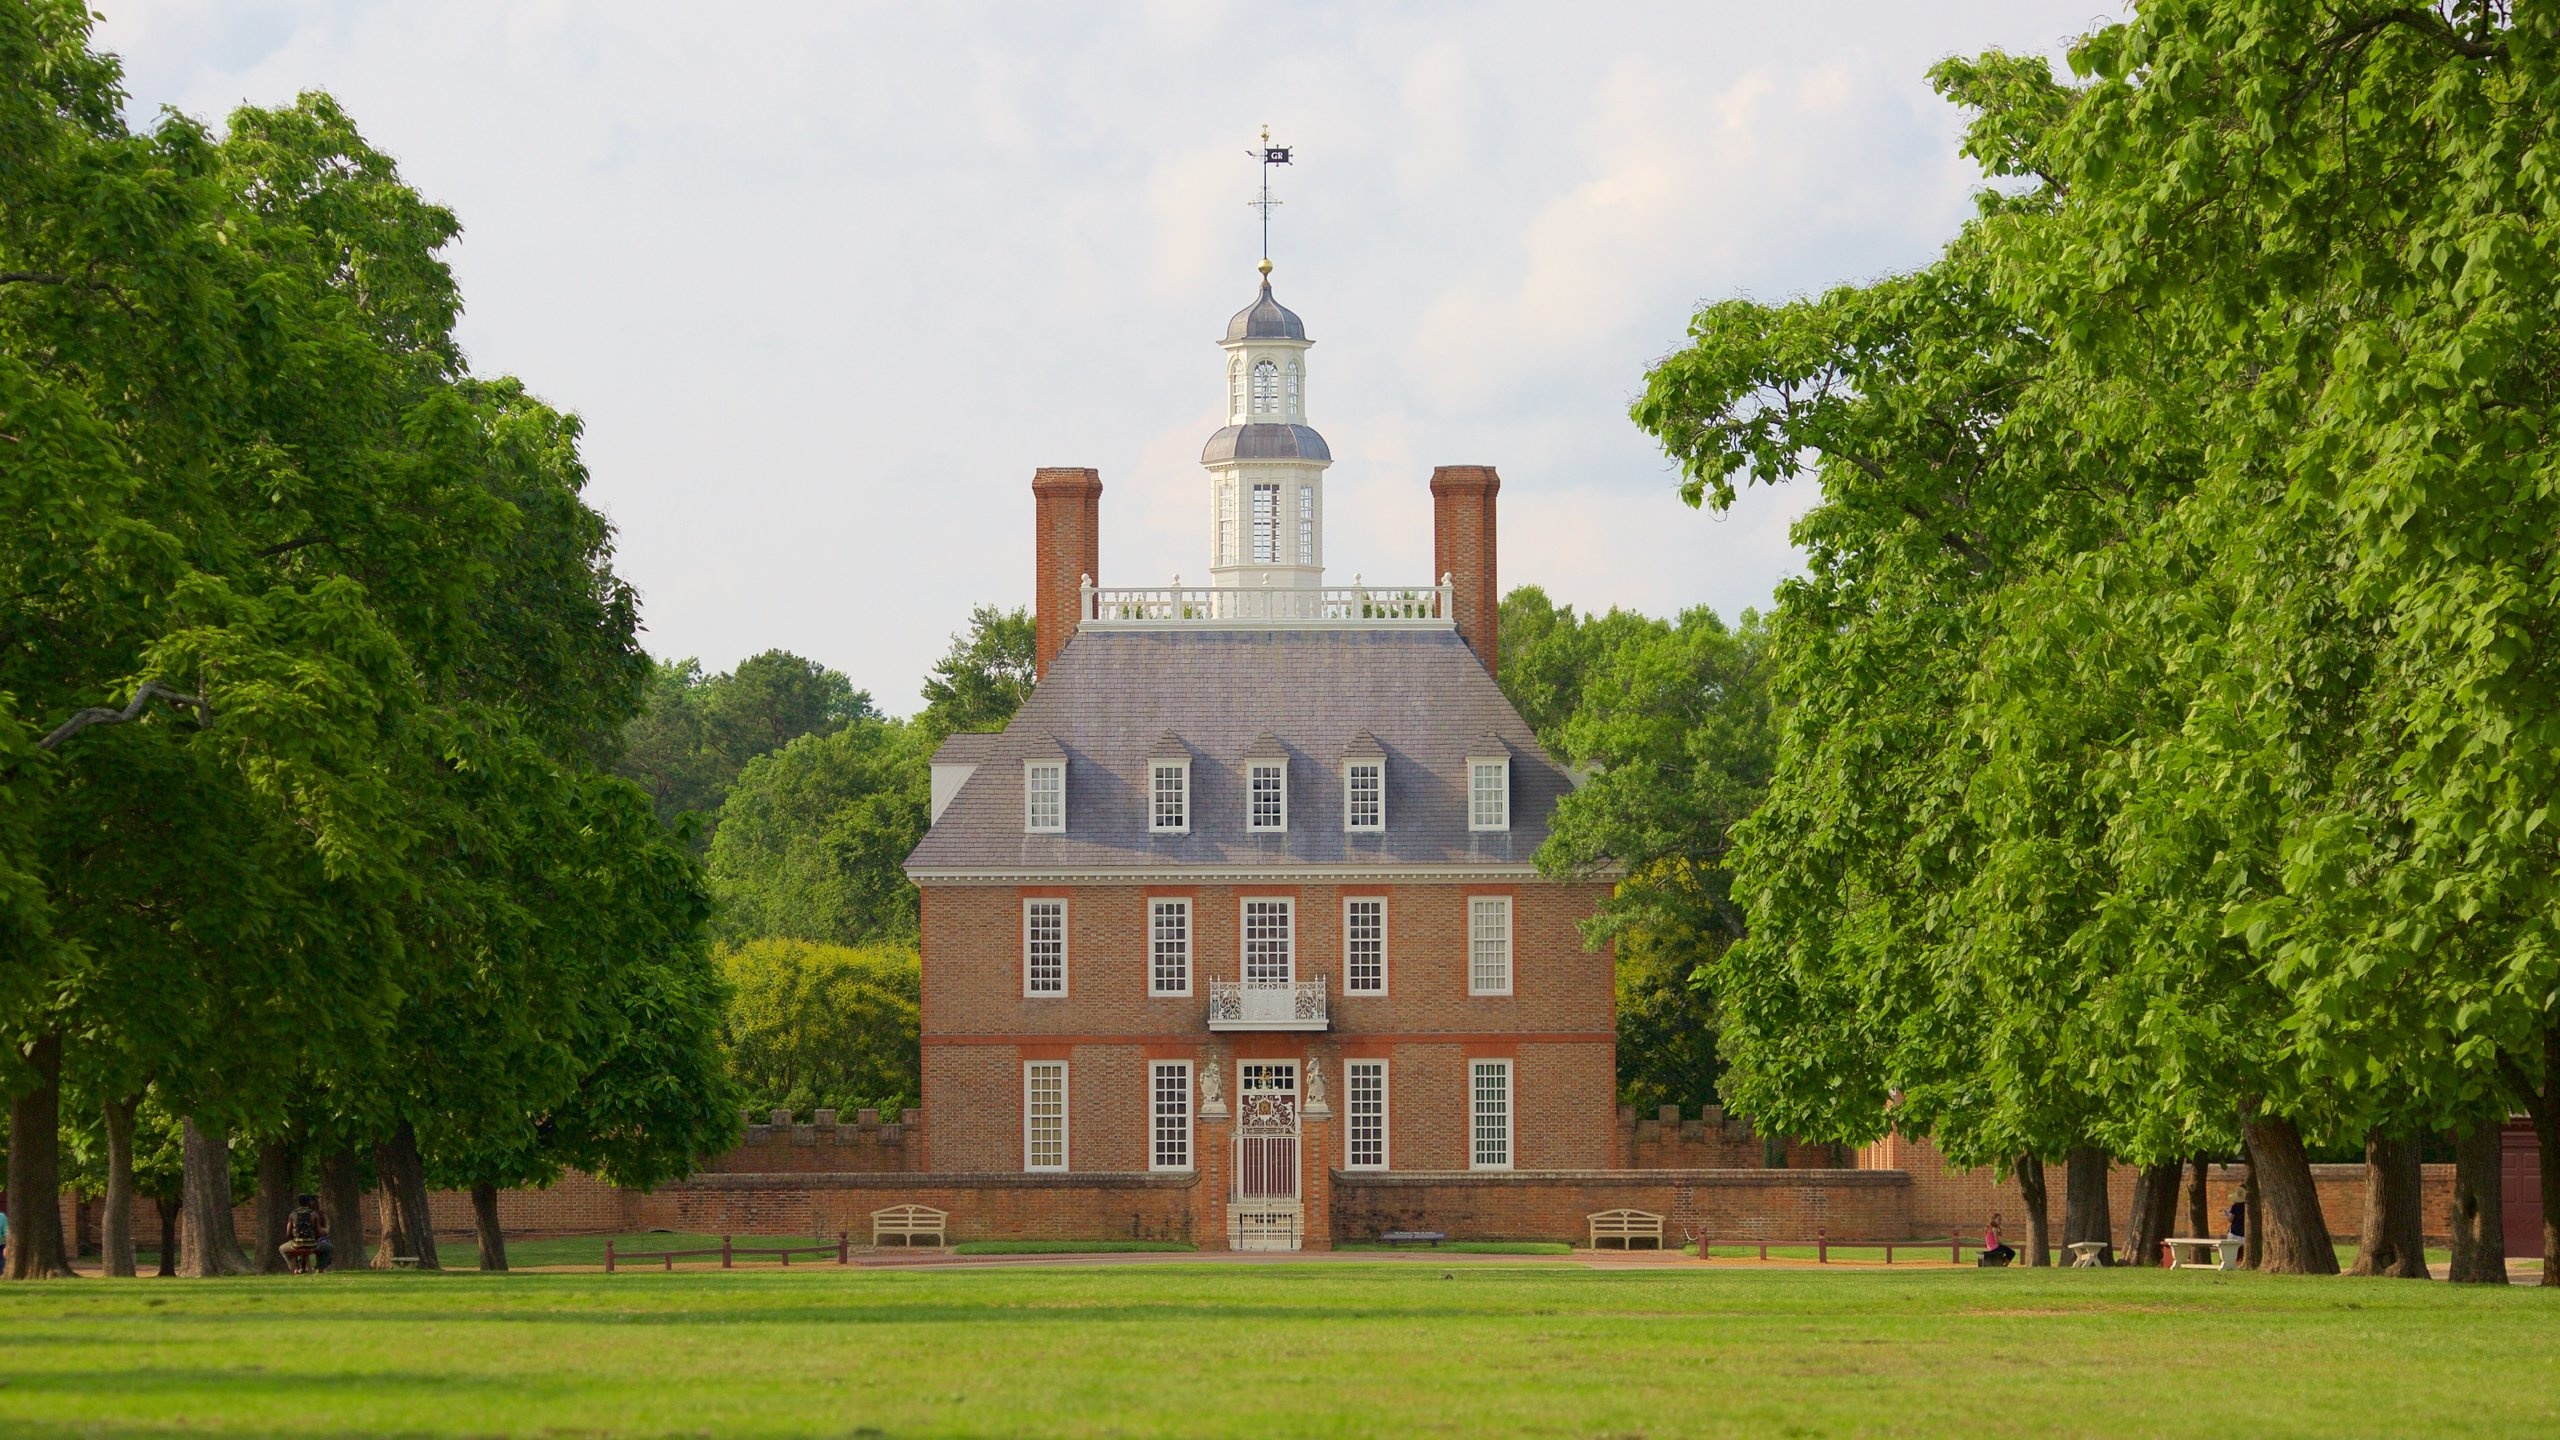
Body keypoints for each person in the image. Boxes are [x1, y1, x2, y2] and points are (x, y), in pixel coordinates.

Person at [280, 1193, 330, 1274]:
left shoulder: (293, 1214)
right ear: (308, 1203)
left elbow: (288, 1234)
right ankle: (320, 1268)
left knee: (282, 1249)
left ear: (299, 1203)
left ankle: (295, 1268)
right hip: (312, 1244)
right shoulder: (314, 1215)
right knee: (328, 1248)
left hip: (296, 1244)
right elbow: (318, 1233)